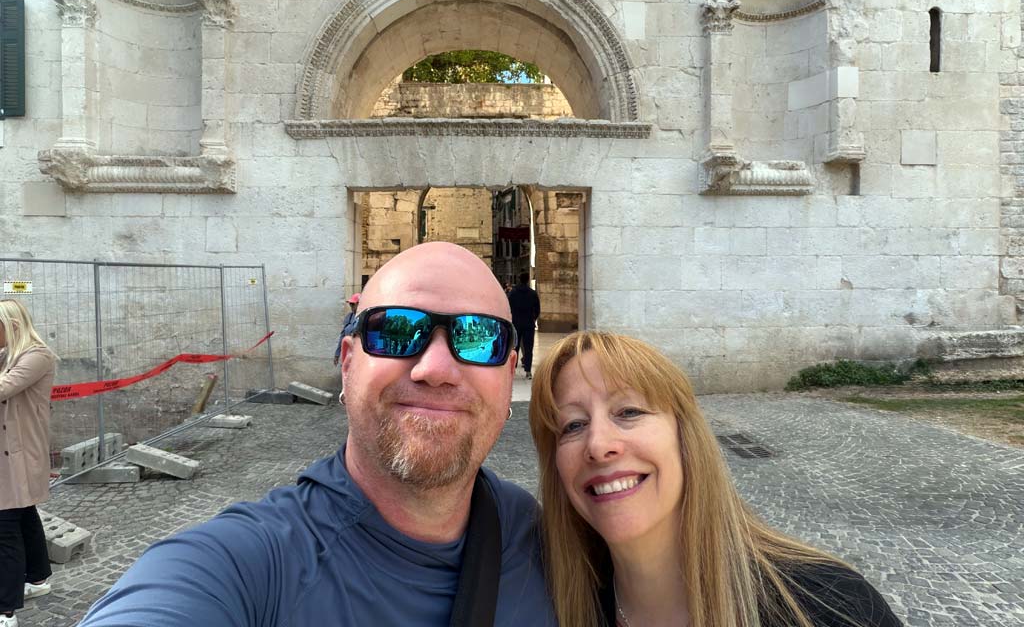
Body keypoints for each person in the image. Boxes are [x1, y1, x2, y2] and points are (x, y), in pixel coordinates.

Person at [78, 242, 555, 626]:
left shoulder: (554, 543)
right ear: (347, 363)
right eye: (396, 331)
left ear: (508, 373)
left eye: (478, 337)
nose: (435, 369)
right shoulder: (246, 566)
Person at [528, 331, 903, 627]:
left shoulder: (832, 608)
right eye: (573, 425)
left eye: (628, 411)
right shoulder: (550, 607)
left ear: (685, 437)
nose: (598, 445)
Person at [1, 299, 58, 627]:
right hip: (10, 453)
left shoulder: (37, 355)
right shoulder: (8, 354)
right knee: (23, 513)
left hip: (19, 455)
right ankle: (36, 578)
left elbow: (4, 387)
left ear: (12, 325)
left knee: (4, 526)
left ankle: (5, 611)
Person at [507, 273, 540, 379]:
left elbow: (508, 307)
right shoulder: (532, 293)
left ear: (519, 279)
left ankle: (513, 369)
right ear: (527, 280)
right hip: (528, 324)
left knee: (514, 347)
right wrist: (533, 319)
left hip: (516, 323)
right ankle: (528, 371)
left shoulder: (513, 293)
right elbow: (537, 309)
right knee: (528, 348)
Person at [332, 293, 360, 367]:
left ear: (359, 304)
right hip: (348, 353)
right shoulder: (349, 316)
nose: (351, 307)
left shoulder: (365, 318)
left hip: (359, 355)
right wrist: (337, 353)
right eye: (350, 304)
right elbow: (342, 336)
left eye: (353, 304)